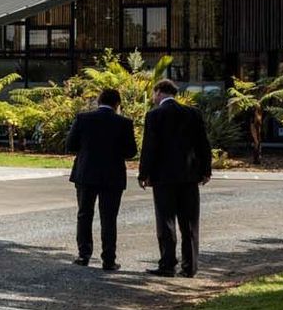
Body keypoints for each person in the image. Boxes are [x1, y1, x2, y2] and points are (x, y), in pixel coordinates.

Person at [137, 80, 212, 277]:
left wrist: (144, 173)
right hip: (189, 175)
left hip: (163, 176)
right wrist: (206, 170)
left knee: (166, 221)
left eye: (154, 94)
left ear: (159, 92)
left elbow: (149, 147)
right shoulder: (193, 113)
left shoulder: (154, 115)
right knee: (189, 223)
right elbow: (203, 144)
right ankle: (190, 266)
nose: (153, 98)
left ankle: (168, 264)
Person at [66, 87, 135, 270]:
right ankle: (109, 259)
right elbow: (131, 152)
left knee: (84, 214)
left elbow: (70, 145)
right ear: (117, 104)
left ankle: (84, 254)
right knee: (109, 218)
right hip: (112, 175)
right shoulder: (124, 123)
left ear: (98, 101)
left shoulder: (83, 119)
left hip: (86, 172)